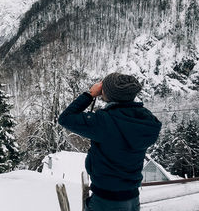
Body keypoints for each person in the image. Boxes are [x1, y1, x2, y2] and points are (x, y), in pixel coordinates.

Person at [58, 73, 161, 211]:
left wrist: (90, 95)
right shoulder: (146, 121)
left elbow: (65, 118)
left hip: (106, 201)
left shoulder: (104, 122)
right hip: (132, 199)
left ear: (109, 94)